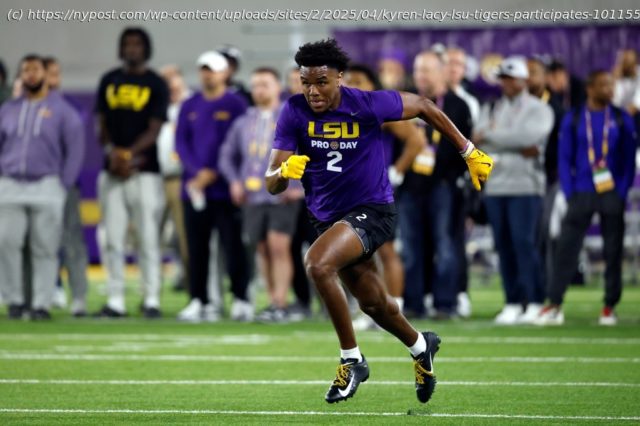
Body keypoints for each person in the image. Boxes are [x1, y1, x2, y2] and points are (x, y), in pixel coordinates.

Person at [265, 39, 492, 404]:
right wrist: (283, 173)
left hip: (372, 210)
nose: (313, 91)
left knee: (318, 264)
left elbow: (424, 106)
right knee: (374, 304)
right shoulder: (294, 110)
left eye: (321, 81)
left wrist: (468, 151)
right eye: (306, 82)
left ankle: (351, 360)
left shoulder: (366, 104)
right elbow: (271, 183)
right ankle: (421, 346)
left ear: (340, 77)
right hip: (327, 217)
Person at [536, 70, 637, 326]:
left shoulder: (621, 117)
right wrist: (569, 191)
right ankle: (554, 303)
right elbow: (564, 157)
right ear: (590, 89)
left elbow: (628, 158)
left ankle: (609, 306)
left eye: (611, 85)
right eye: (603, 85)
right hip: (580, 191)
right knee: (566, 248)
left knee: (613, 250)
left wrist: (622, 190)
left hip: (611, 192)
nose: (609, 90)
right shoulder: (574, 117)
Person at [0, 54, 84, 320]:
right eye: (26, 70)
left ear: (45, 74)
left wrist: (63, 184)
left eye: (36, 69)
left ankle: (41, 304)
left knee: (45, 247)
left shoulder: (62, 111)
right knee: (7, 242)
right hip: (11, 184)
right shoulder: (8, 109)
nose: (31, 74)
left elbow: (75, 150)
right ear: (20, 75)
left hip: (47, 185)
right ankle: (14, 300)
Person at [343, 64, 425, 330]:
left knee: (386, 249)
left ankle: (395, 307)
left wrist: (397, 171)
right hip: (353, 190)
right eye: (348, 81)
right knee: (363, 253)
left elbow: (416, 140)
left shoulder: (378, 110)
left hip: (379, 191)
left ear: (373, 85)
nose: (352, 86)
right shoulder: (343, 112)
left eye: (359, 81)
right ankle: (376, 308)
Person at [95, 27, 169, 318]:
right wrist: (112, 152)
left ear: (146, 49)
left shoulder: (156, 83)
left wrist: (128, 154)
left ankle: (151, 298)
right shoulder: (109, 80)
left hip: (145, 171)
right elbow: (101, 123)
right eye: (127, 43)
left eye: (137, 44)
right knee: (112, 238)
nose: (131, 48)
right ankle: (115, 299)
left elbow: (155, 128)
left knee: (147, 237)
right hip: (112, 170)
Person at [219, 67, 303, 322]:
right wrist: (234, 182)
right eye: (255, 85)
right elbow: (226, 156)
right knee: (262, 248)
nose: (259, 90)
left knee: (279, 246)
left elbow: (309, 152)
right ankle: (272, 301)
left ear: (278, 87)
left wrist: (299, 187)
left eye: (265, 84)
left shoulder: (291, 117)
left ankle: (281, 302)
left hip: (282, 193)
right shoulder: (244, 121)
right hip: (253, 195)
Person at [474, 57, 553, 325]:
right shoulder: (492, 106)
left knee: (524, 244)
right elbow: (477, 138)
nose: (505, 83)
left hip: (526, 186)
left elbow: (528, 137)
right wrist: (514, 142)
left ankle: (534, 301)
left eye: (510, 78)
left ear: (523, 80)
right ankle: (512, 302)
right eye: (503, 79)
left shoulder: (539, 109)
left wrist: (494, 136)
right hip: (496, 186)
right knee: (504, 246)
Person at [175, 51, 252, 322]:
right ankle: (199, 299)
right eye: (204, 69)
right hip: (195, 189)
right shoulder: (190, 104)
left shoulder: (236, 104)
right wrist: (198, 172)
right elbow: (181, 143)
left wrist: (215, 172)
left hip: (226, 189)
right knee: (196, 249)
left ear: (224, 73)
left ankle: (240, 298)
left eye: (213, 70)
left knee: (233, 247)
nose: (208, 75)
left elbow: (239, 143)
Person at [399, 50, 473, 319]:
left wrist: (449, 178)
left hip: (442, 186)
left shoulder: (457, 105)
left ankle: (445, 303)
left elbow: (463, 147)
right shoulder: (405, 102)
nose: (421, 76)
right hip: (410, 186)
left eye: (427, 70)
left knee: (445, 246)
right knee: (411, 248)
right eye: (417, 70)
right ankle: (414, 304)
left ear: (442, 72)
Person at [44, 56, 90, 317]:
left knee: (72, 241)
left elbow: (75, 151)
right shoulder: (21, 107)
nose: (52, 80)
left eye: (55, 74)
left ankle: (79, 296)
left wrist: (64, 182)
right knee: (38, 243)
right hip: (32, 185)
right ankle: (44, 292)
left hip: (63, 184)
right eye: (48, 74)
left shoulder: (69, 107)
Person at [157, 65, 191, 292]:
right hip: (157, 177)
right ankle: (152, 289)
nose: (171, 86)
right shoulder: (158, 106)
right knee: (151, 235)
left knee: (185, 235)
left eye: (173, 80)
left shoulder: (191, 105)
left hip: (183, 176)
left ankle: (192, 283)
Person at [447, 47, 480, 126]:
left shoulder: (471, 102)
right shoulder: (430, 97)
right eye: (450, 63)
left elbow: (472, 131)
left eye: (458, 64)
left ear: (464, 70)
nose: (453, 68)